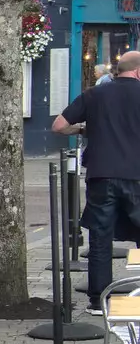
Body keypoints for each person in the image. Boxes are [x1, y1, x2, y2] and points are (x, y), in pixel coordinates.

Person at [54, 50, 140, 315]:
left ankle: (98, 301)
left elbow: (59, 126)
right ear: (138, 72)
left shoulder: (94, 94)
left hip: (101, 175)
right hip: (137, 175)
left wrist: (83, 129)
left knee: (100, 238)